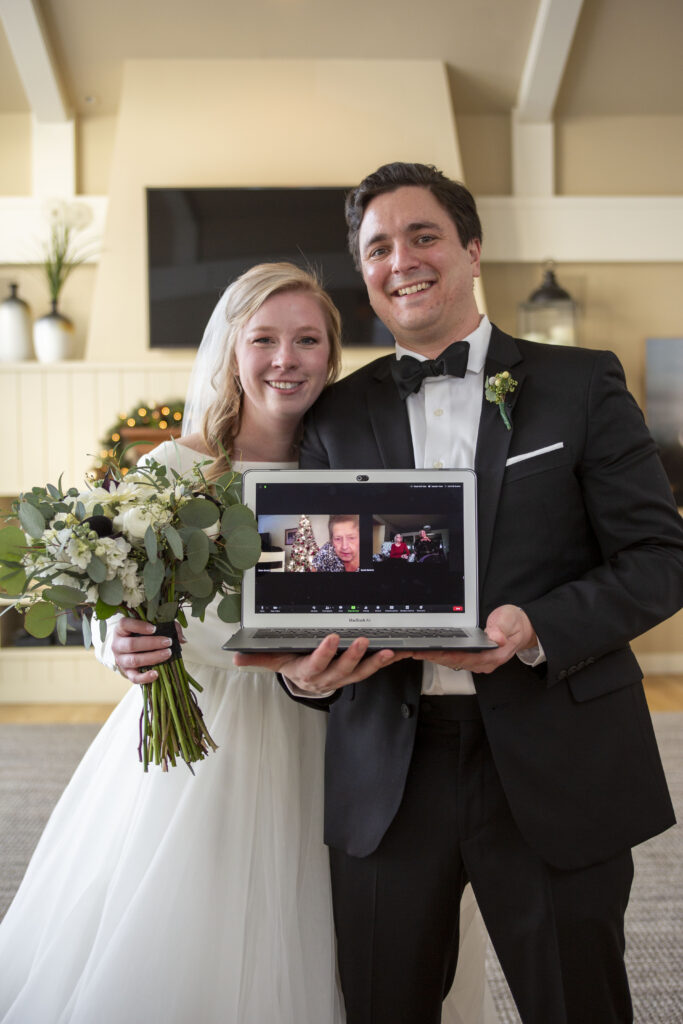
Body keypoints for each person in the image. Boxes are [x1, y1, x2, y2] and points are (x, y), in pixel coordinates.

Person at [234, 164, 683, 1024]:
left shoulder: (581, 382)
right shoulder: (331, 415)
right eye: (376, 248)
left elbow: (661, 557)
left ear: (473, 249)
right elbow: (315, 591)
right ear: (362, 273)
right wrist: (305, 675)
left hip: (556, 751)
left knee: (578, 1001)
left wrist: (533, 626)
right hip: (386, 773)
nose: (399, 259)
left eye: (422, 235)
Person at [0, 260, 494, 1024]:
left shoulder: (363, 466)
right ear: (232, 349)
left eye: (306, 340)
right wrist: (115, 642)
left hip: (342, 730)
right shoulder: (168, 471)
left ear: (331, 355)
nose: (285, 360)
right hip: (208, 737)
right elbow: (117, 593)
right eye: (264, 339)